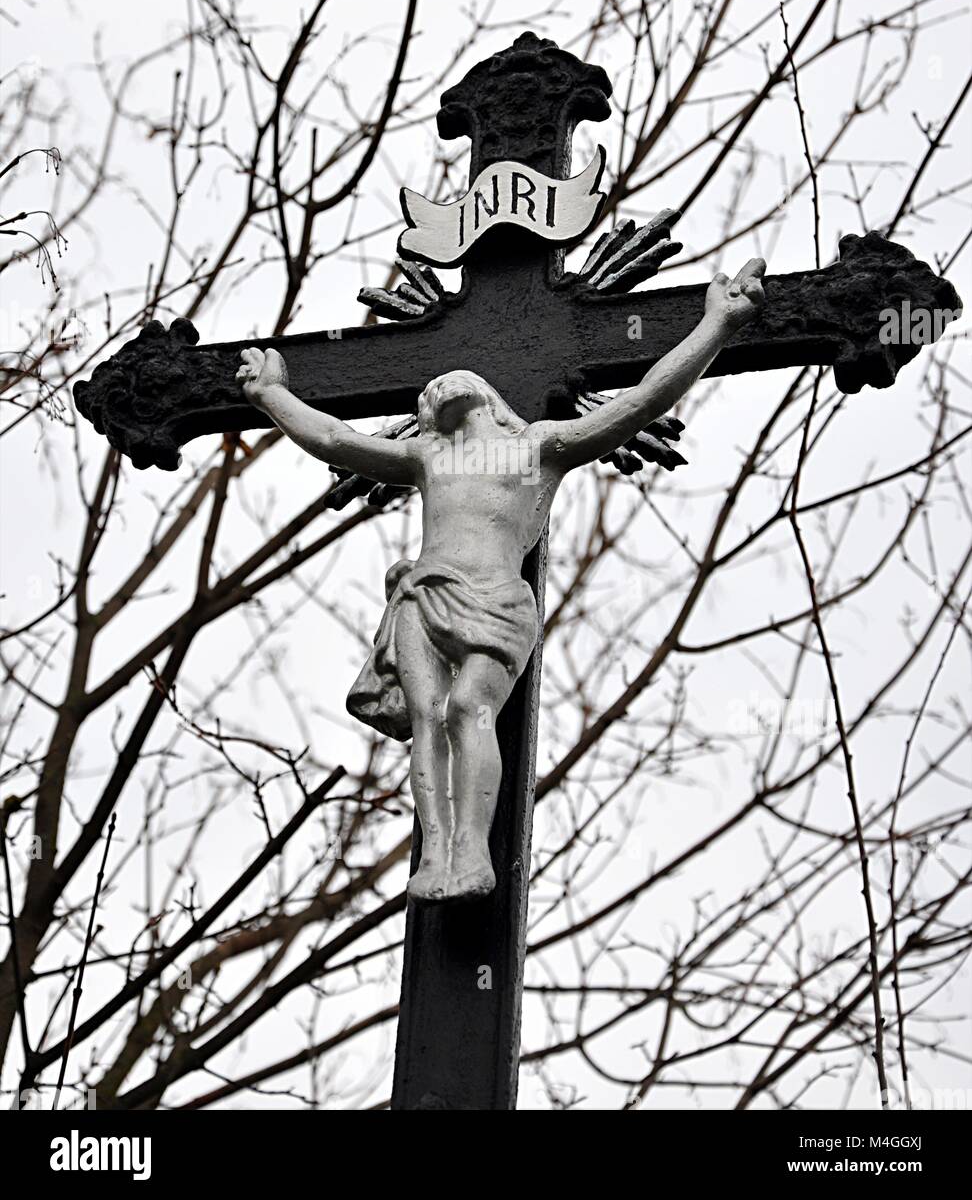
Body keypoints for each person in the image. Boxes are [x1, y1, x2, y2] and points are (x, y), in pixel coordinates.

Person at [238, 257, 765, 902]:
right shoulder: (427, 454)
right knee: (429, 719)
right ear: (429, 415)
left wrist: (716, 326)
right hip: (424, 595)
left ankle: (473, 856)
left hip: (495, 600)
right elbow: (336, 439)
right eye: (433, 391)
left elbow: (640, 401)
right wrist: (271, 396)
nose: (444, 386)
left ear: (488, 400)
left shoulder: (539, 446)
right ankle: (434, 858)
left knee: (468, 708)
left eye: (456, 384)